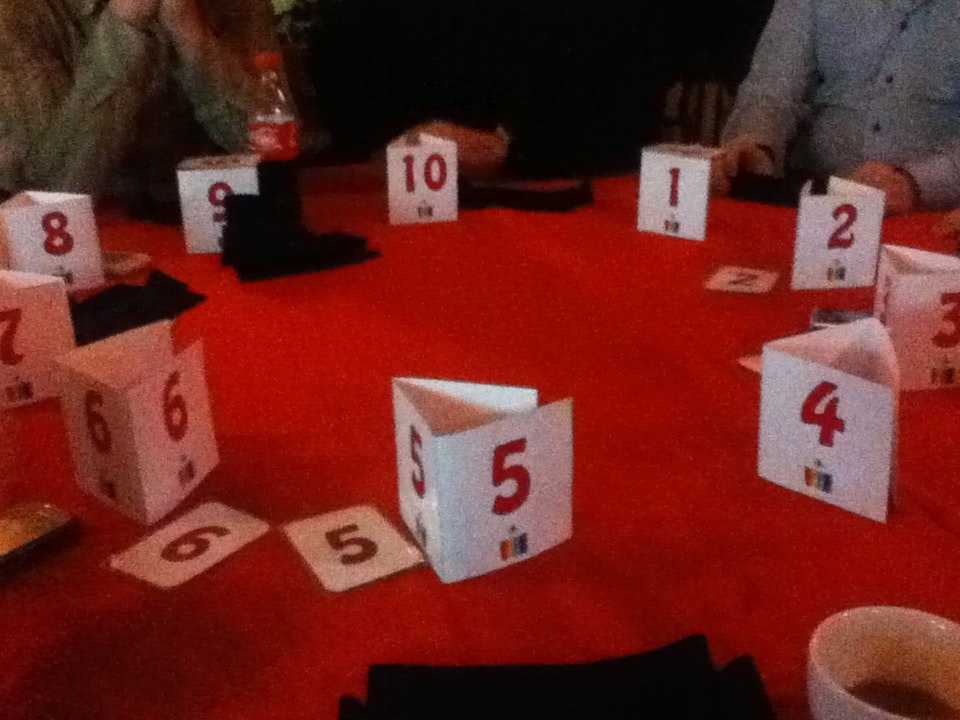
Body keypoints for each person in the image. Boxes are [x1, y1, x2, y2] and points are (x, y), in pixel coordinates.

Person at [0, 0, 276, 209]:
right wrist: (124, 26)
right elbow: (45, 196)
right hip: (101, 239)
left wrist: (192, 36)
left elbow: (277, 154)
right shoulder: (19, 14)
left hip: (224, 223)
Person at [718, 0, 960, 214]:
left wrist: (914, 185)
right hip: (810, 197)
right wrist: (759, 144)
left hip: (931, 214)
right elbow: (773, 86)